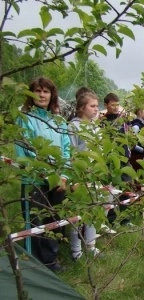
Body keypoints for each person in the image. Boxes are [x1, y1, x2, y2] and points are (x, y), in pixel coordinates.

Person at [15, 77, 70, 272]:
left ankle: (51, 259)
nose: (41, 95)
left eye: (46, 91)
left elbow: (66, 151)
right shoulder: (24, 119)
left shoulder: (60, 121)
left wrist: (64, 177)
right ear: (31, 94)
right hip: (34, 180)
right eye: (37, 91)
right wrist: (50, 176)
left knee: (54, 220)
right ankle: (37, 264)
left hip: (58, 181)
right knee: (36, 222)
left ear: (52, 95)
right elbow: (27, 151)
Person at [68, 92, 102, 261]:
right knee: (77, 213)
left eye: (97, 106)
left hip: (94, 174)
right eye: (92, 106)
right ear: (82, 107)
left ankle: (91, 246)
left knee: (93, 210)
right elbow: (71, 152)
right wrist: (75, 178)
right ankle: (76, 251)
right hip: (80, 175)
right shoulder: (73, 126)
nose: (96, 109)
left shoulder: (95, 126)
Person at [100, 93, 133, 226]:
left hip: (124, 159)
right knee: (110, 191)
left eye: (117, 104)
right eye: (112, 104)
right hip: (110, 161)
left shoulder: (123, 120)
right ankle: (111, 218)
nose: (115, 107)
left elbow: (129, 136)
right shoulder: (103, 122)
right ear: (106, 105)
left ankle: (125, 218)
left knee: (127, 188)